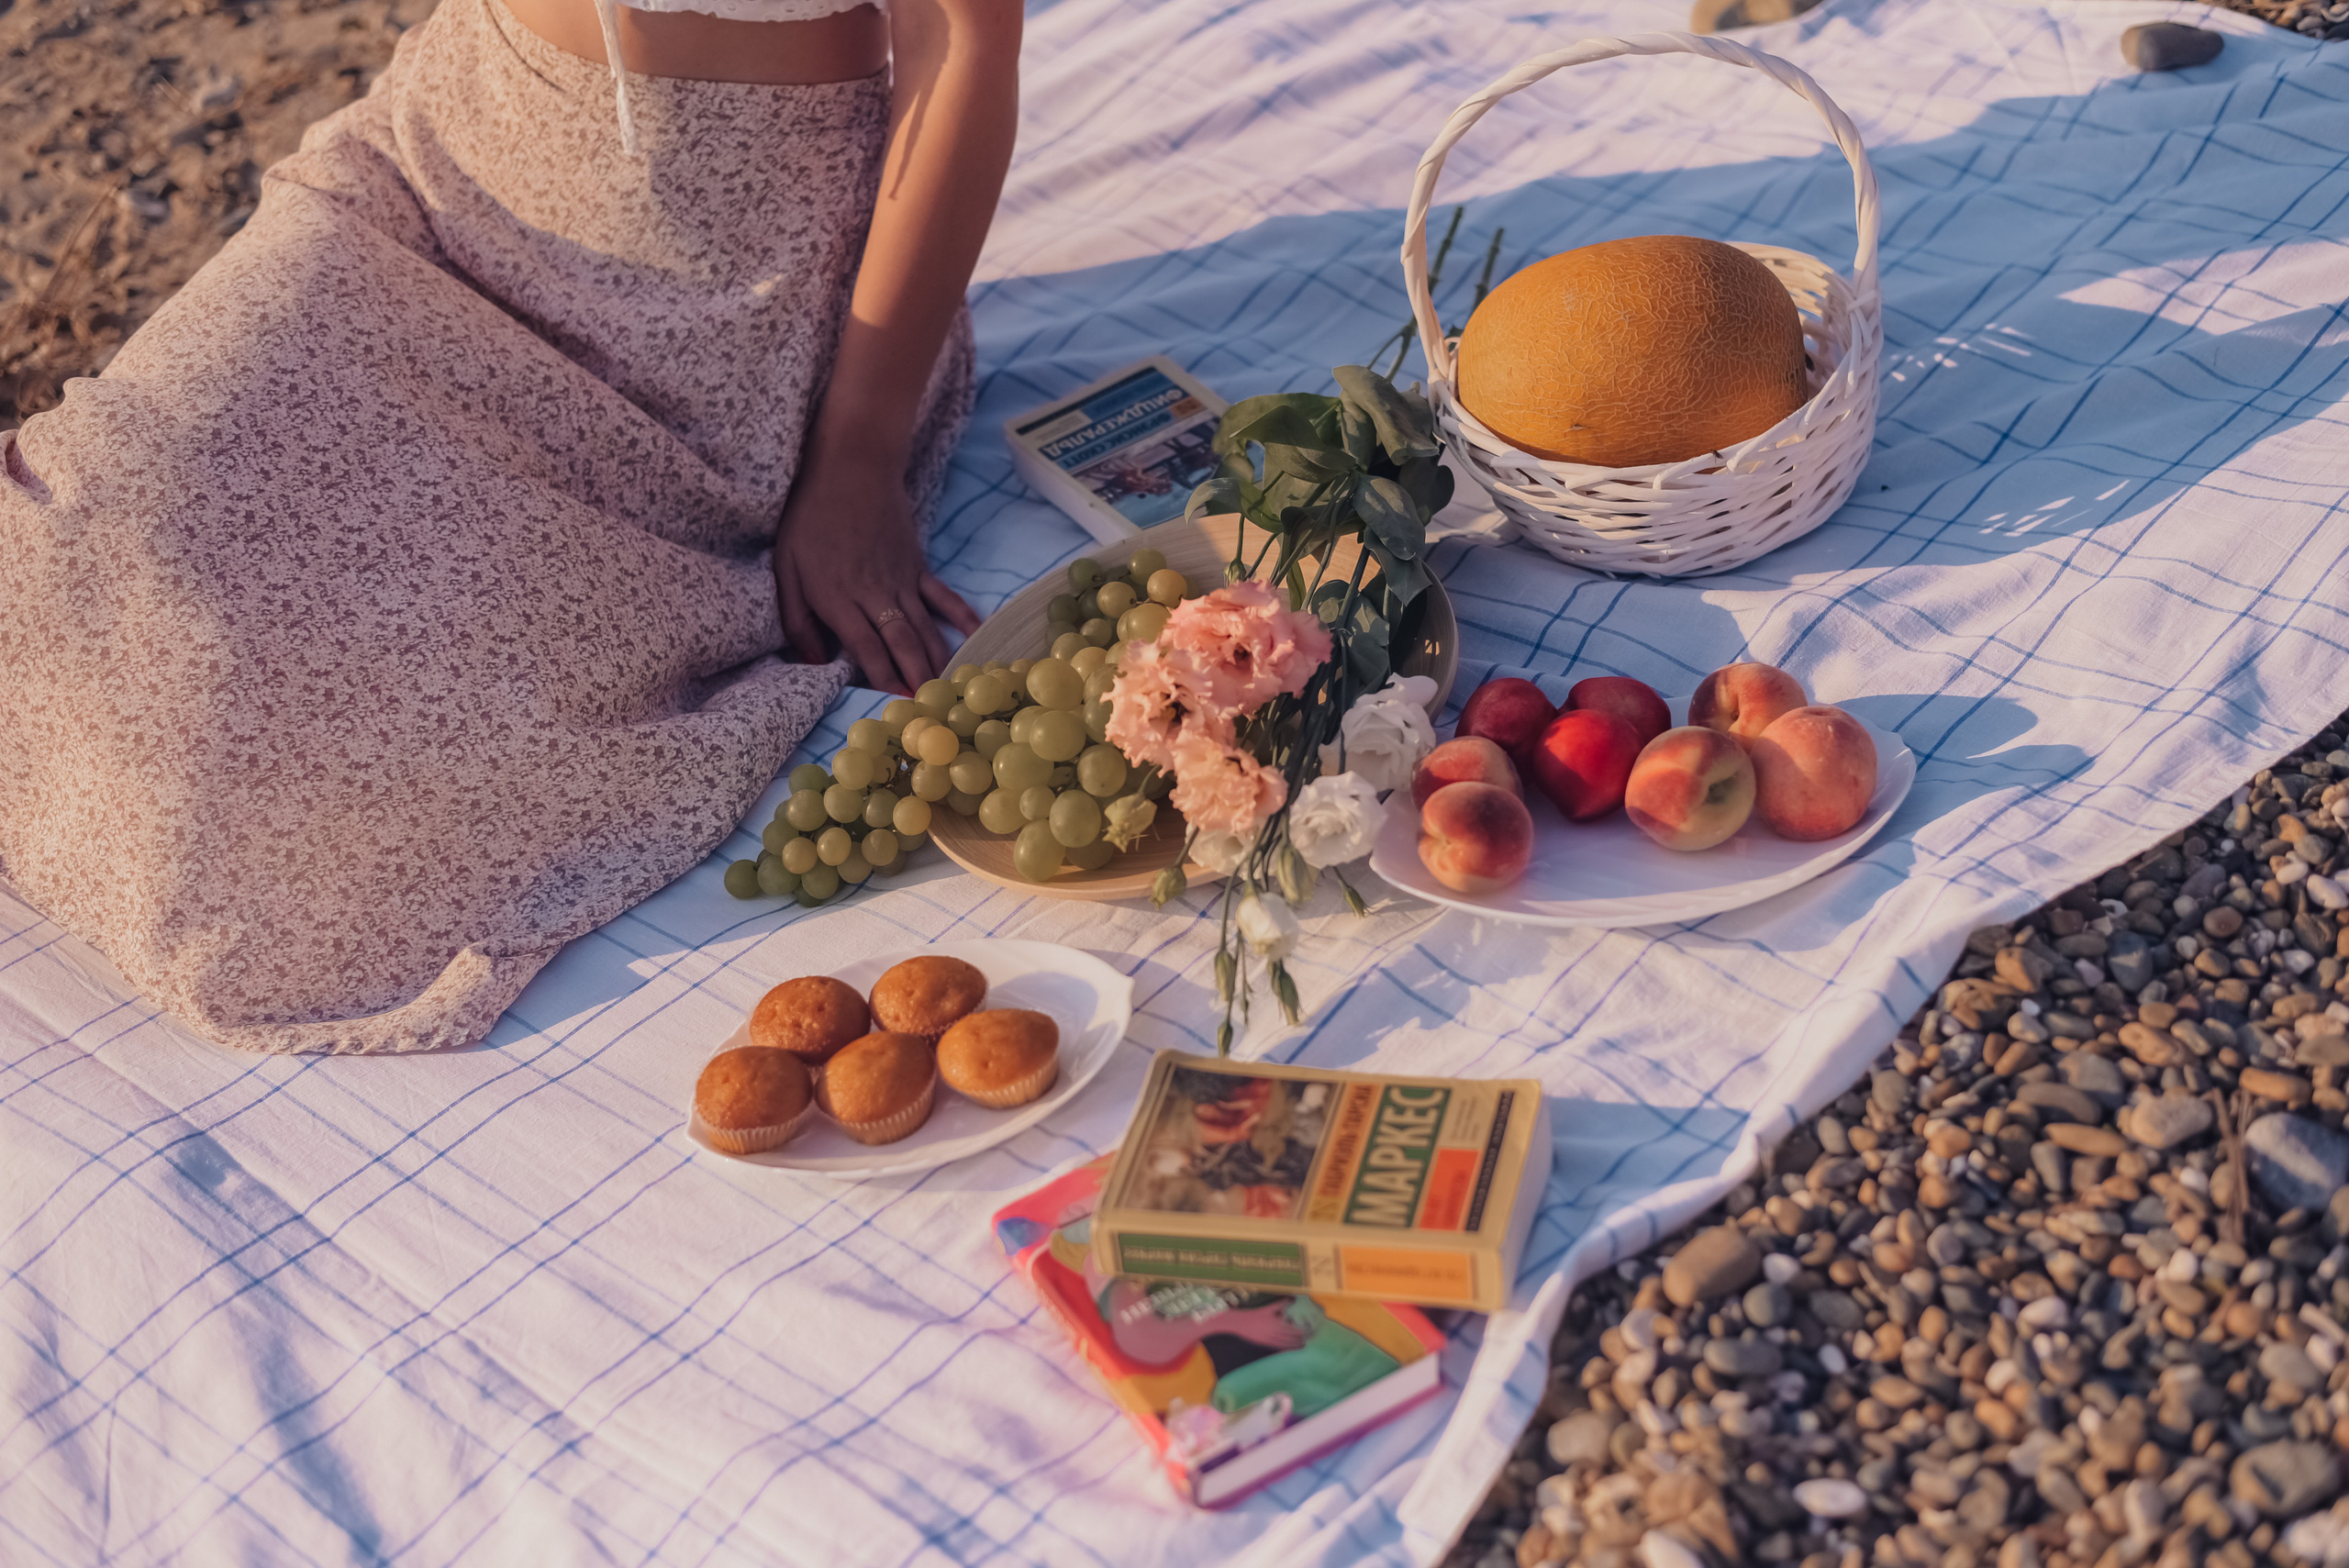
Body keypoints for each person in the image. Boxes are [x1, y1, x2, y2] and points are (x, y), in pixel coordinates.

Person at [0, 0, 1019, 1052]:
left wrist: (856, 455)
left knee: (240, 733)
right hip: (444, 171)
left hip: (709, 321)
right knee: (91, 533)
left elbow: (965, 43)